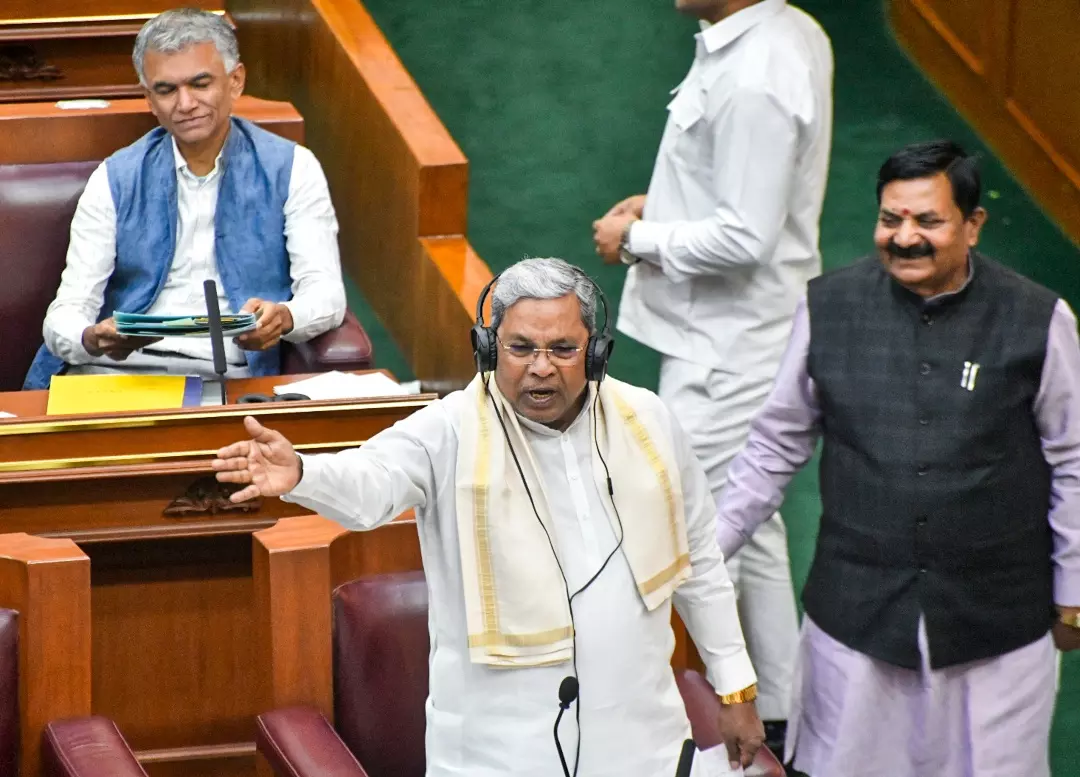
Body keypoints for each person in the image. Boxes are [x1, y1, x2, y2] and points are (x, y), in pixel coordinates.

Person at [213, 258, 764, 777]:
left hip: (644, 746)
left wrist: (736, 687)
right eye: (520, 347)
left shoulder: (647, 420)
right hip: (496, 755)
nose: (540, 367)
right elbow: (369, 483)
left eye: (563, 349)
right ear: (488, 348)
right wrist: (303, 473)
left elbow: (699, 557)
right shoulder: (449, 429)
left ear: (596, 352)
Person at [716, 140, 1080, 777]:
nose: (905, 237)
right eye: (891, 219)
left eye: (928, 221)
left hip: (996, 621)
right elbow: (776, 443)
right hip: (858, 615)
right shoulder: (826, 307)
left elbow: (1073, 455)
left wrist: (1074, 585)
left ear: (973, 224)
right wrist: (707, 549)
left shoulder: (1039, 319)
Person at [590, 0, 833, 750]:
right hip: (719, 334)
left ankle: (627, 706)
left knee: (684, 528)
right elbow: (736, 188)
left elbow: (746, 235)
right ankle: (789, 727)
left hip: (731, 347)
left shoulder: (760, 70)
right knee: (748, 531)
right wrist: (664, 208)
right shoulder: (778, 34)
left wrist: (638, 236)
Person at [24, 8, 345, 390]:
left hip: (228, 379)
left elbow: (326, 294)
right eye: (167, 89)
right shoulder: (115, 177)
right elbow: (65, 313)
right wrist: (91, 337)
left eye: (200, 83)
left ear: (235, 81)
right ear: (149, 98)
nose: (185, 103)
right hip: (117, 376)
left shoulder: (292, 168)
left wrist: (286, 317)